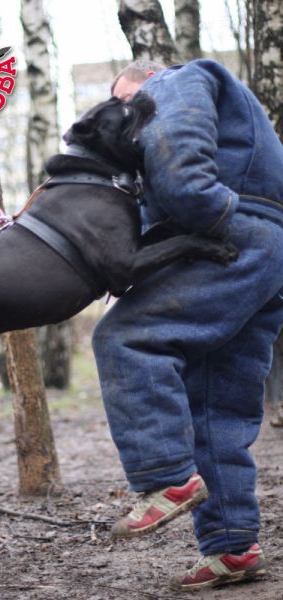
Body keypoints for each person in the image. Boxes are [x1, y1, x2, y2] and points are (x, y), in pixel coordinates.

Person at [92, 58, 283, 591]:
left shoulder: (175, 80)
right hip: (263, 252)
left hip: (228, 236)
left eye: (124, 102)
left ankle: (166, 479)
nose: (126, 117)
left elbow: (179, 162)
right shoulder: (219, 109)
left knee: (125, 338)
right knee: (215, 406)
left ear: (144, 79)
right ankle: (233, 547)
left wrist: (208, 212)